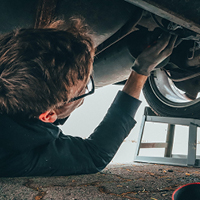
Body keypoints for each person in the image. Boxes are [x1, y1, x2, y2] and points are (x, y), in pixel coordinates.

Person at [0, 19, 177, 177]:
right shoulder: (17, 156)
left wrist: (141, 70)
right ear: (47, 116)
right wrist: (140, 72)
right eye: (83, 89)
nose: (85, 87)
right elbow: (95, 155)